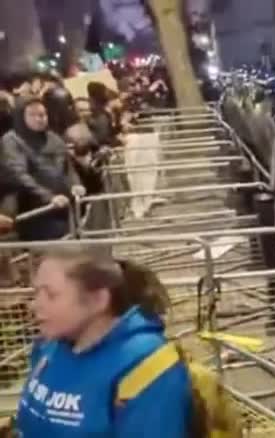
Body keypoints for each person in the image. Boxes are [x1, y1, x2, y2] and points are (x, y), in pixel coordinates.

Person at [11, 247, 191, 436]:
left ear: (98, 300)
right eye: (36, 293)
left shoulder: (147, 366)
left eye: (51, 295)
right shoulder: (48, 347)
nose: (35, 305)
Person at [0, 97, 81, 241]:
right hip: (35, 210)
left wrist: (75, 184)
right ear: (21, 117)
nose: (40, 119)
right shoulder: (12, 140)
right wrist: (48, 197)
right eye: (33, 115)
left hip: (64, 206)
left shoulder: (53, 138)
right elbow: (19, 175)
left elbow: (68, 166)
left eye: (43, 114)